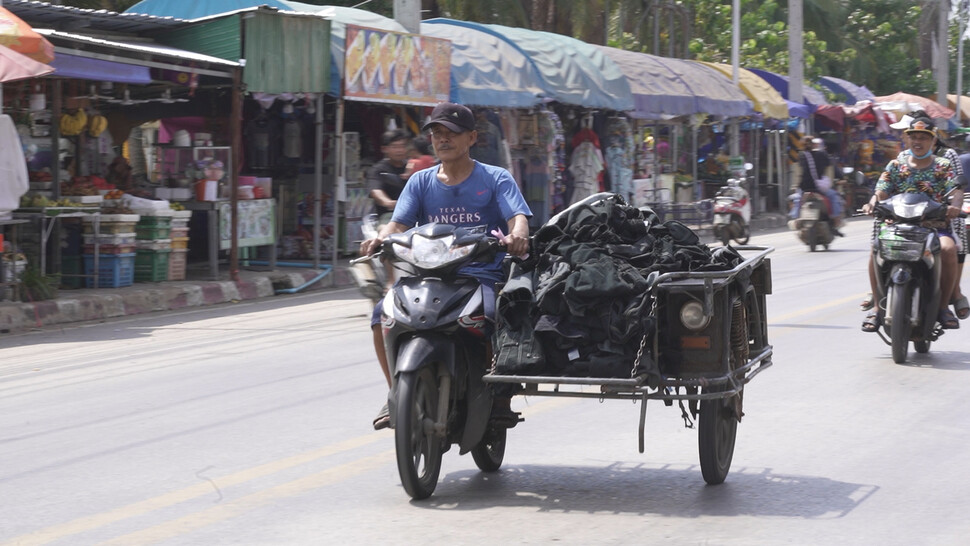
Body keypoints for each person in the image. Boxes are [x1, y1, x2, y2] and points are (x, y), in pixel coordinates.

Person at [361, 102, 532, 430]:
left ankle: (499, 395)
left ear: (472, 138)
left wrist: (518, 235)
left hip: (480, 274)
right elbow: (397, 225)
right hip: (427, 275)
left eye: (451, 133)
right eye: (436, 133)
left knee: (500, 317)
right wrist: (379, 240)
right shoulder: (420, 182)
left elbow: (518, 217)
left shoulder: (496, 178)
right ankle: (395, 391)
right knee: (381, 315)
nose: (442, 139)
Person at [861, 117, 964, 332]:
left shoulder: (942, 166)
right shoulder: (896, 165)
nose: (918, 142)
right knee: (875, 248)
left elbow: (956, 192)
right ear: (907, 139)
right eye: (914, 137)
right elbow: (881, 190)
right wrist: (872, 203)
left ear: (932, 141)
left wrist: (955, 206)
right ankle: (877, 309)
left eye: (923, 138)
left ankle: (944, 307)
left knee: (948, 249)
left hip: (933, 225)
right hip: (897, 225)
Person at [792, 136, 844, 234]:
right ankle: (836, 219)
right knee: (834, 196)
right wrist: (830, 183)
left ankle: (796, 218)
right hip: (820, 188)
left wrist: (796, 186)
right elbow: (829, 171)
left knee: (797, 199)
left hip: (804, 188)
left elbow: (798, 174)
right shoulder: (822, 154)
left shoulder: (801, 156)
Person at [366, 129, 410, 227]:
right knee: (386, 233)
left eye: (402, 146)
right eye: (394, 146)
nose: (399, 150)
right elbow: (375, 191)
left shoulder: (413, 167)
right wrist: (388, 202)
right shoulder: (378, 170)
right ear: (384, 149)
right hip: (390, 216)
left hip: (415, 214)